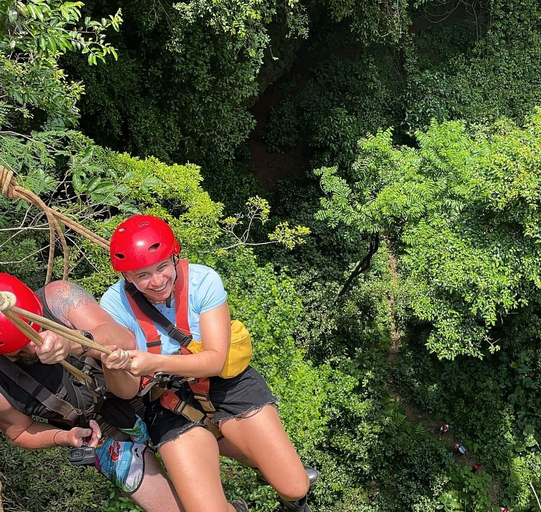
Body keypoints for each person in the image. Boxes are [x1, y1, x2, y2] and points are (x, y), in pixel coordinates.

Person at [100, 214, 314, 512]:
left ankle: (289, 493)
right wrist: (113, 365)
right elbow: (125, 392)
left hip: (226, 382)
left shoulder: (203, 281)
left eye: (162, 267)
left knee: (295, 485)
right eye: (142, 276)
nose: (157, 281)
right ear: (127, 277)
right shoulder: (112, 305)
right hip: (166, 399)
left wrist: (151, 362)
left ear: (175, 258)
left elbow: (214, 360)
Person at [0, 273, 183, 512]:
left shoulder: (58, 298)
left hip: (150, 394)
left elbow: (125, 340)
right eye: (21, 349)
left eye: (34, 331)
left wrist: (72, 343)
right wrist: (64, 437)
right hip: (108, 439)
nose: (35, 345)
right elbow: (20, 431)